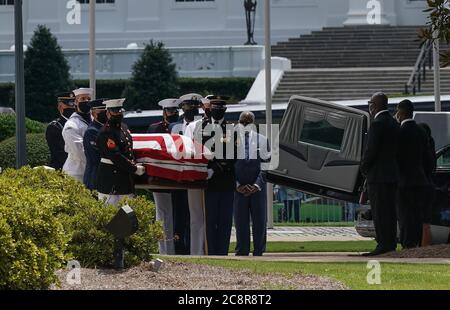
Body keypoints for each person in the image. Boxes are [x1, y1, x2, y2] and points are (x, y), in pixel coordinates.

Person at [360, 92, 400, 256]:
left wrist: (364, 167)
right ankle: (390, 242)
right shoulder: (393, 123)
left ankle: (383, 243)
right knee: (390, 211)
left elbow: (371, 150)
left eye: (371, 103)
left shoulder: (377, 124)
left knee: (379, 211)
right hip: (392, 175)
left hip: (378, 176)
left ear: (374, 106)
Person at [199, 96, 236, 256]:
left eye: (220, 109)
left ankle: (222, 252)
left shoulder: (232, 129)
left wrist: (215, 167)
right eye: (214, 108)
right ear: (210, 109)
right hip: (209, 182)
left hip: (226, 180)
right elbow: (198, 150)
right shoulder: (202, 128)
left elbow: (234, 154)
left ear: (225, 111)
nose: (216, 111)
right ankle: (211, 252)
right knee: (210, 219)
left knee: (225, 221)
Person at [168, 94, 204, 255]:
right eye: (188, 107)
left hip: (197, 177)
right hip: (179, 179)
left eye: (194, 107)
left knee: (196, 215)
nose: (191, 110)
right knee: (179, 214)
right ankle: (179, 246)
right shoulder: (174, 127)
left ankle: (196, 248)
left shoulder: (205, 126)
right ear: (182, 108)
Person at [395, 100, 432, 249]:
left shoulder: (399, 132)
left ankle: (406, 244)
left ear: (402, 112)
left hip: (403, 181)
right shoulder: (421, 132)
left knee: (404, 216)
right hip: (420, 180)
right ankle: (416, 243)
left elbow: (396, 158)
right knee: (417, 215)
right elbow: (428, 159)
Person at [96, 98, 146, 206]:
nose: (118, 113)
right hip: (110, 180)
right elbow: (115, 155)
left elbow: (128, 151)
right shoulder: (106, 132)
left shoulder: (124, 127)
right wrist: (134, 168)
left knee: (128, 216)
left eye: (120, 111)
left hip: (125, 179)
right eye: (115, 111)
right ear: (108, 113)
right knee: (111, 217)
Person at [234, 111, 270, 256]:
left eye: (248, 122)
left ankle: (259, 251)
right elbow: (230, 166)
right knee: (241, 223)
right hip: (239, 188)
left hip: (257, 188)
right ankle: (242, 250)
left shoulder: (262, 140)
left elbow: (266, 165)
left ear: (253, 123)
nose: (245, 124)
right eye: (242, 122)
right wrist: (237, 184)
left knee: (259, 222)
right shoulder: (231, 141)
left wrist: (256, 185)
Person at [148, 98, 180, 255]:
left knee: (176, 215)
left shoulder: (180, 128)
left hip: (177, 176)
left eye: (175, 111)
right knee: (162, 215)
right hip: (160, 176)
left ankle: (176, 248)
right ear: (164, 112)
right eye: (170, 111)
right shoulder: (155, 128)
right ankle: (164, 250)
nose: (173, 114)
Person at [62, 88, 93, 182]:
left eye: (88, 99)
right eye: (83, 99)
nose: (86, 101)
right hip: (76, 174)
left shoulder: (95, 121)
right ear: (76, 102)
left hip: (92, 171)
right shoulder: (71, 126)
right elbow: (79, 152)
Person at [46, 92, 76, 170]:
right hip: (61, 169)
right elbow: (60, 153)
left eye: (73, 104)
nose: (72, 107)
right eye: (68, 104)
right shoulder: (54, 127)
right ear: (60, 106)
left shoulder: (78, 123)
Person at [83, 99, 108, 190]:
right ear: (93, 114)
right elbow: (96, 157)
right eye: (102, 112)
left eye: (107, 111)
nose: (106, 114)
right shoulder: (92, 131)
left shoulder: (107, 128)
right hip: (95, 179)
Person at [418, 122, 437, 247]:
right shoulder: (430, 149)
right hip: (429, 185)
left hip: (420, 187)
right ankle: (426, 246)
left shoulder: (421, 151)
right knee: (426, 223)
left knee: (419, 220)